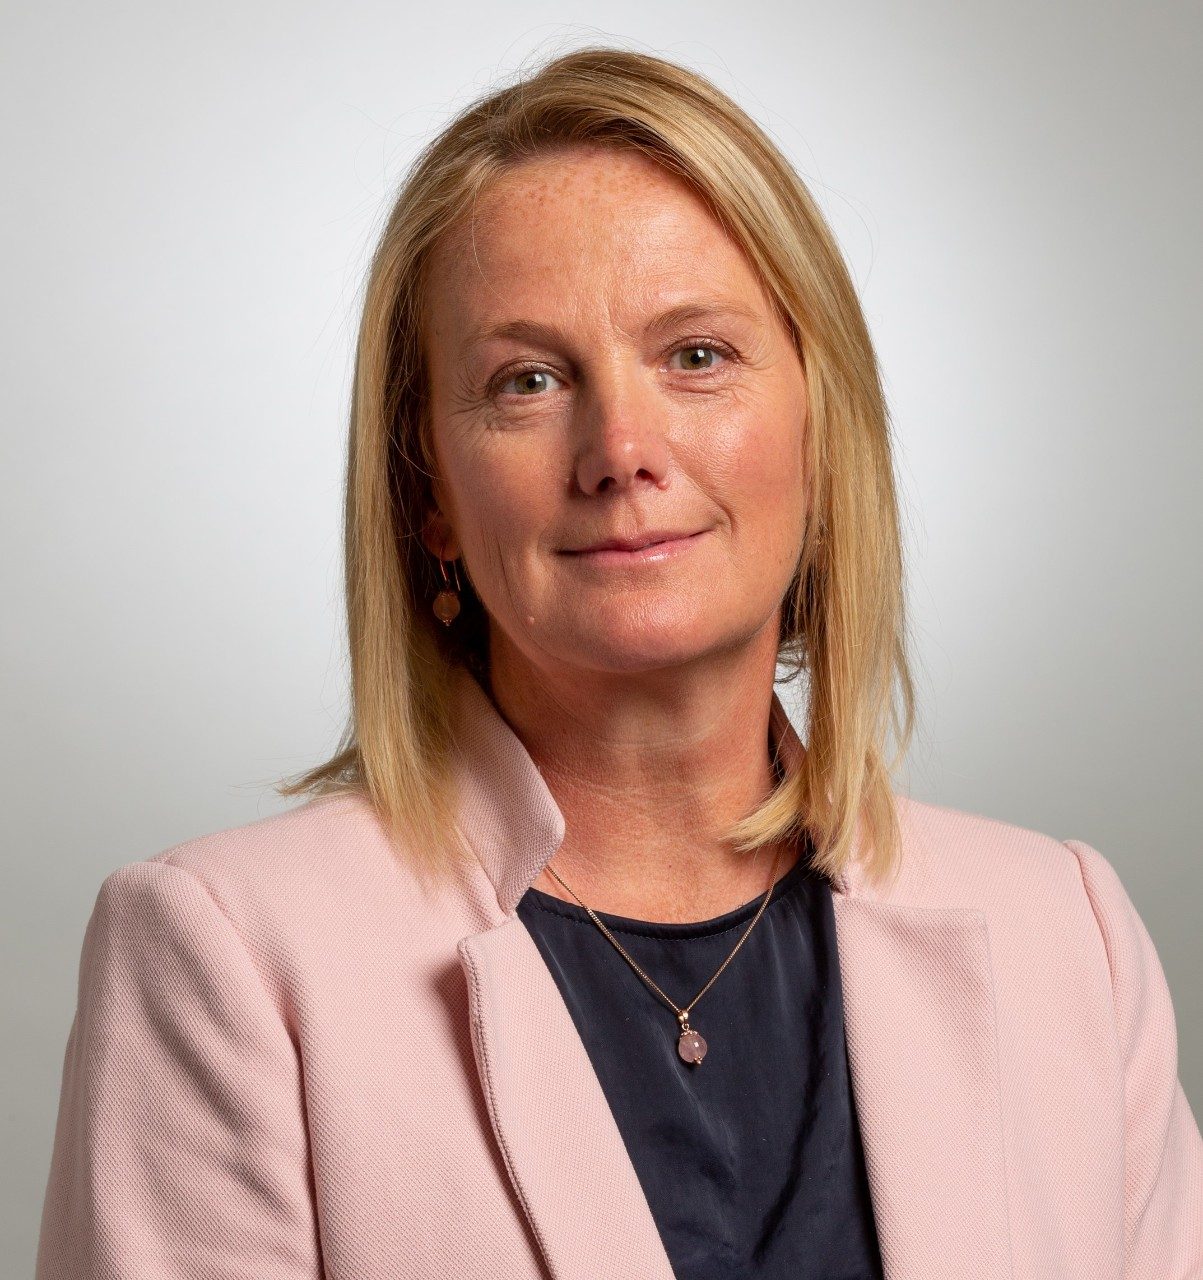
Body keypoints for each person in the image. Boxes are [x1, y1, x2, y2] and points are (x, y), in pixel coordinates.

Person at [35, 46, 1202, 1280]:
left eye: (696, 355)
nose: (621, 450)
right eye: (528, 380)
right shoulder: (227, 953)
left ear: (820, 431)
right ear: (429, 493)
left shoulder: (1068, 932)